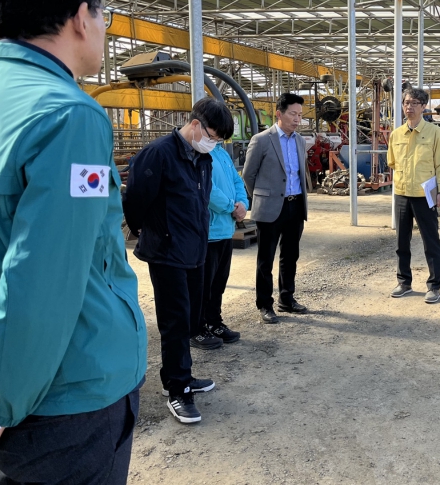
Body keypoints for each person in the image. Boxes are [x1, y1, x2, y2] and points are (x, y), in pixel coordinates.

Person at [0, 0, 147, 484]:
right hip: (64, 396)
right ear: (81, 16)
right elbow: (43, 280)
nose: (103, 28)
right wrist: (0, 404)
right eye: (104, 15)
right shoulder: (69, 117)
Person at [123, 98, 233, 424]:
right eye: (212, 136)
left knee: (189, 319)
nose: (213, 143)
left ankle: (179, 375)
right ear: (196, 125)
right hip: (167, 253)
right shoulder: (159, 154)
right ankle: (177, 390)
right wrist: (151, 232)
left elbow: (200, 203)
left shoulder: (203, 158)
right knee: (174, 322)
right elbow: (135, 201)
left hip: (195, 250)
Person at [243, 93, 309, 324]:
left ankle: (287, 298)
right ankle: (264, 304)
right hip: (271, 207)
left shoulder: (300, 141)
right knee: (266, 258)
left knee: (290, 255)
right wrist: (263, 197)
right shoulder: (262, 140)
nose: (297, 119)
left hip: (295, 205)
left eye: (300, 115)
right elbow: (248, 175)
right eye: (293, 114)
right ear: (279, 114)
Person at [387, 88, 440, 304]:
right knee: (401, 241)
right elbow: (392, 162)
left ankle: (434, 285)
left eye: (414, 103)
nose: (409, 107)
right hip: (402, 193)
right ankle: (404, 282)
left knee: (431, 241)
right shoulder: (396, 134)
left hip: (426, 194)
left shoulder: (435, 133)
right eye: (406, 103)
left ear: (423, 106)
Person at [192, 137, 249, 346]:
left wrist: (243, 203)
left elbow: (237, 180)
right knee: (203, 285)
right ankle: (197, 328)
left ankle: (214, 321)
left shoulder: (221, 153)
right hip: (209, 231)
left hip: (226, 229)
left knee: (218, 283)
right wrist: (231, 207)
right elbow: (208, 189)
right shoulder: (199, 152)